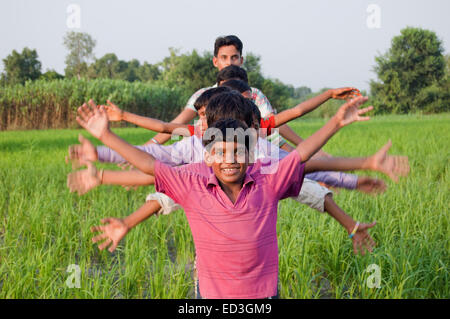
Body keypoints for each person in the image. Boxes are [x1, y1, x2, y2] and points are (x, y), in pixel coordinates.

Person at [74, 91, 380, 299]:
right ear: (207, 156)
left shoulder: (268, 180)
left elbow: (303, 156)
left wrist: (338, 123)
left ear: (252, 155)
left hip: (263, 295)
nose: (229, 159)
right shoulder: (191, 183)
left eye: (238, 152)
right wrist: (106, 136)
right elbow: (149, 163)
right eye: (220, 152)